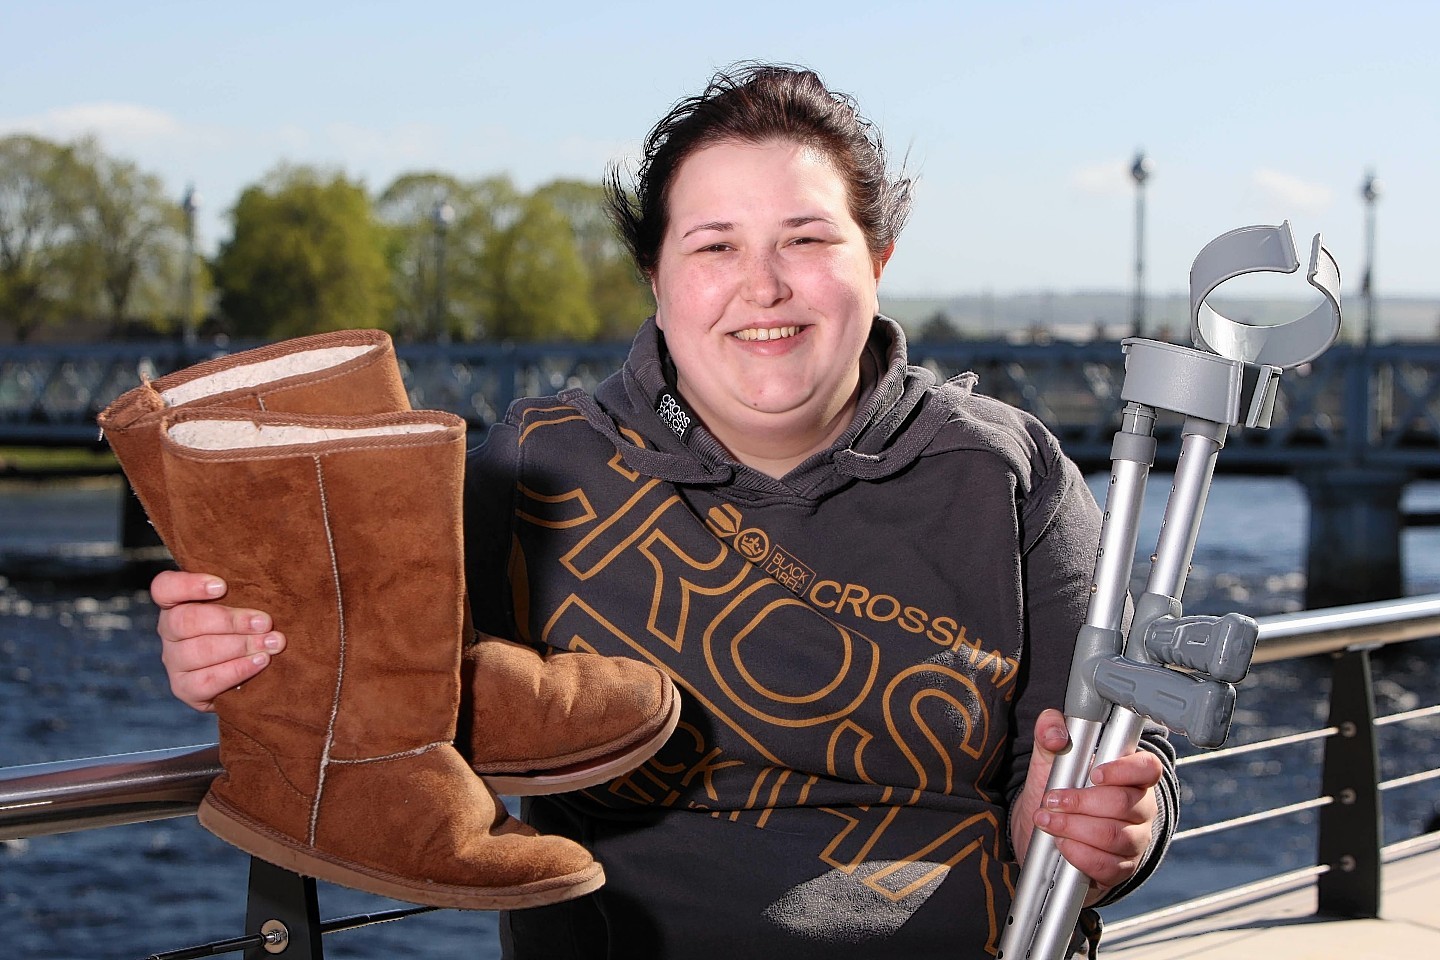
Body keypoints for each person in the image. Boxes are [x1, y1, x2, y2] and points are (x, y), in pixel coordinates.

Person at [150, 62, 1177, 959]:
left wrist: (1113, 833)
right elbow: (372, 679)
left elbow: (1123, 764)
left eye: (807, 239)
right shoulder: (539, 462)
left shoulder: (1007, 472)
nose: (763, 288)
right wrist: (241, 652)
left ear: (879, 262)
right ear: (657, 279)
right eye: (715, 247)